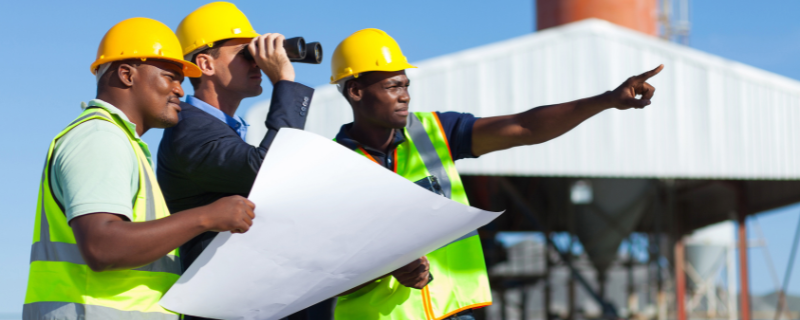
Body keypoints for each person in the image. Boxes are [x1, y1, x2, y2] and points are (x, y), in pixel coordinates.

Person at [330, 28, 663, 320]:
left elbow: (524, 127)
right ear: (356, 92)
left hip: (454, 313)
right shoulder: (330, 166)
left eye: (406, 84)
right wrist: (385, 270)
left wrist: (605, 100)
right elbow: (320, 271)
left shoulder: (433, 132)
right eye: (392, 86)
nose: (405, 95)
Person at [22, 18, 257, 320]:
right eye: (170, 77)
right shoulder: (99, 137)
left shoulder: (121, 143)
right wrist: (207, 216)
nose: (180, 91)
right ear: (127, 75)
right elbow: (102, 246)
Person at [156, 2, 324, 319]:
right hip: (217, 306)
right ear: (205, 63)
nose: (259, 61)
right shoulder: (189, 130)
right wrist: (284, 81)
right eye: (246, 53)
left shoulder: (218, 129)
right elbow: (267, 170)